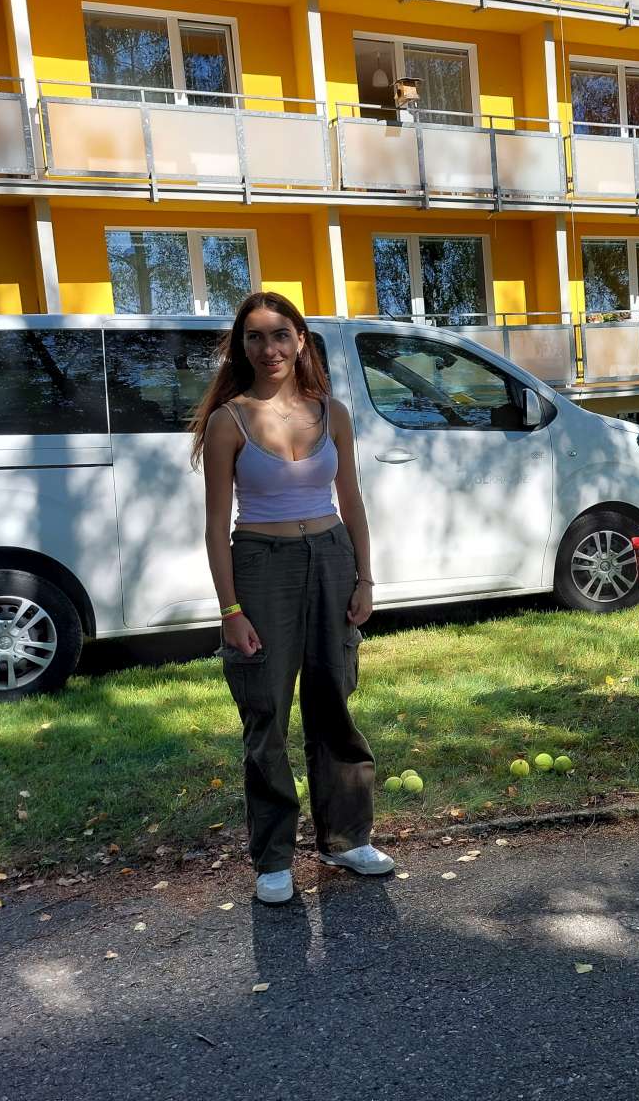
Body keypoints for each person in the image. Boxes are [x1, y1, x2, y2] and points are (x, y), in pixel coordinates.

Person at [191, 292, 393, 905]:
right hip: (262, 564)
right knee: (267, 715)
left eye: (280, 334)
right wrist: (230, 610)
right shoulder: (229, 421)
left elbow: (351, 502)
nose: (269, 348)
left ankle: (346, 838)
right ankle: (274, 858)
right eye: (254, 337)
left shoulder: (332, 413)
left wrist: (364, 579)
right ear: (240, 347)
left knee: (334, 703)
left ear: (301, 339)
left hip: (331, 557)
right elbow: (216, 527)